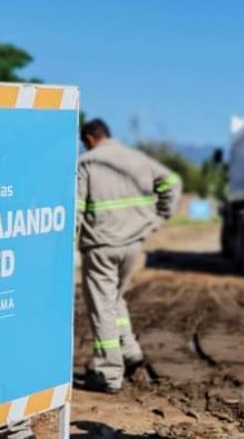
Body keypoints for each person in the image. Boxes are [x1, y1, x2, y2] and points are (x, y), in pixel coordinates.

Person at [76, 118, 182, 392]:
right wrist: (159, 217)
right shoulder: (137, 158)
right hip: (133, 245)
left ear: (88, 138)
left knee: (102, 308)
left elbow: (76, 209)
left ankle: (109, 374)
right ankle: (130, 351)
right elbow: (172, 182)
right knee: (114, 298)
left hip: (101, 245)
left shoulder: (87, 162)